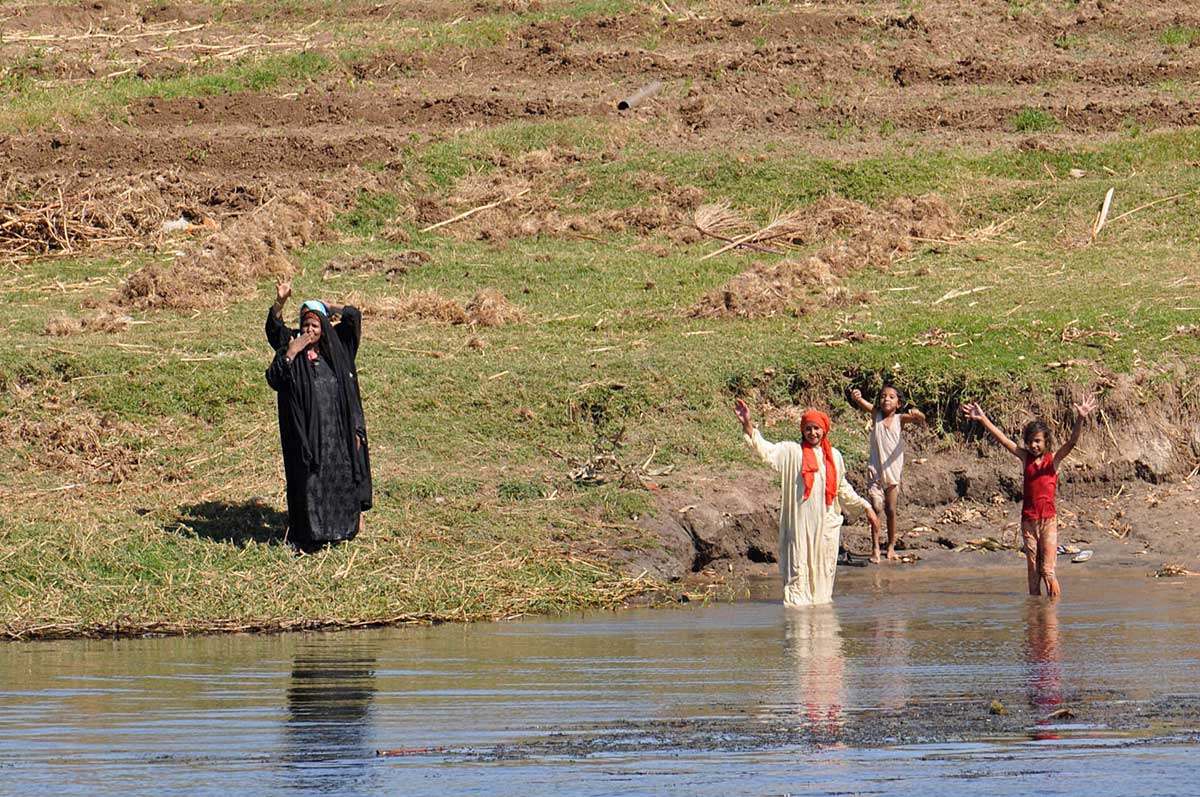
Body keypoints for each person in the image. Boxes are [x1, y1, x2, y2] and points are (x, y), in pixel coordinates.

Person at [734, 398, 880, 606]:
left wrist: (865, 506)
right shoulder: (792, 452)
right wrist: (747, 423)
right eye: (808, 429)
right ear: (803, 431)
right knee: (798, 571)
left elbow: (842, 487)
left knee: (823, 576)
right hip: (800, 527)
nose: (812, 433)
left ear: (824, 430)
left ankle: (822, 622)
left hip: (826, 528)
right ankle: (797, 622)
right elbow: (766, 450)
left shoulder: (835, 457)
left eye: (816, 428)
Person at [960, 397, 1097, 598]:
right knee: (1033, 574)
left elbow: (1072, 442)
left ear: (1046, 442)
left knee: (1047, 571)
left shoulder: (1053, 460)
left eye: (1038, 441)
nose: (1033, 445)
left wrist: (1080, 418)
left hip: (1048, 521)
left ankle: (1052, 611)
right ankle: (1036, 612)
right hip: (1028, 522)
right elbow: (1003, 440)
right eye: (1030, 441)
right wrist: (983, 419)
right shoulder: (1025, 458)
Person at [267, 299, 371, 552]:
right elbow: (274, 378)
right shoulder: (293, 353)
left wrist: (330, 306)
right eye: (305, 324)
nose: (309, 330)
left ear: (324, 327)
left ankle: (341, 529)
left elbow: (353, 317)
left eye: (315, 325)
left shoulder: (336, 352)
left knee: (339, 477)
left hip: (336, 432)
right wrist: (291, 352)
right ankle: (310, 535)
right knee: (309, 483)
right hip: (307, 436)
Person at [849, 385, 926, 562]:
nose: (886, 399)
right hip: (875, 470)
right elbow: (862, 403)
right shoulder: (876, 414)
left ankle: (891, 546)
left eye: (891, 397)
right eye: (883, 396)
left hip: (892, 471)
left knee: (890, 510)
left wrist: (917, 414)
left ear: (898, 403)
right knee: (876, 507)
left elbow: (920, 419)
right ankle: (875, 547)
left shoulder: (900, 419)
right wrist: (857, 396)